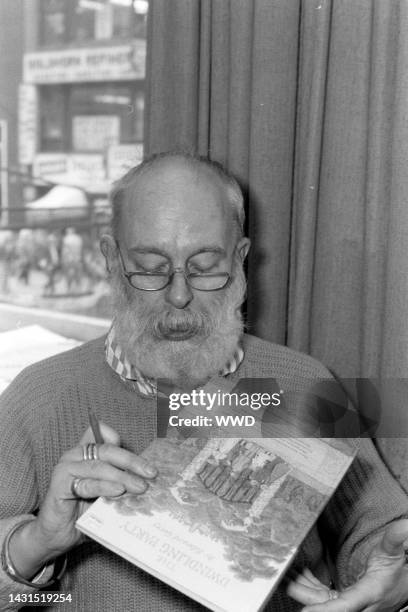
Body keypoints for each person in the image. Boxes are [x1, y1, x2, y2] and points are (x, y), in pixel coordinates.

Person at [0, 152, 407, 612]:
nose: (179, 295)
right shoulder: (37, 398)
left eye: (205, 265)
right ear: (111, 260)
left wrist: (395, 589)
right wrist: (34, 545)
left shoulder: (304, 384)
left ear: (241, 260)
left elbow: (379, 542)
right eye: (152, 266)